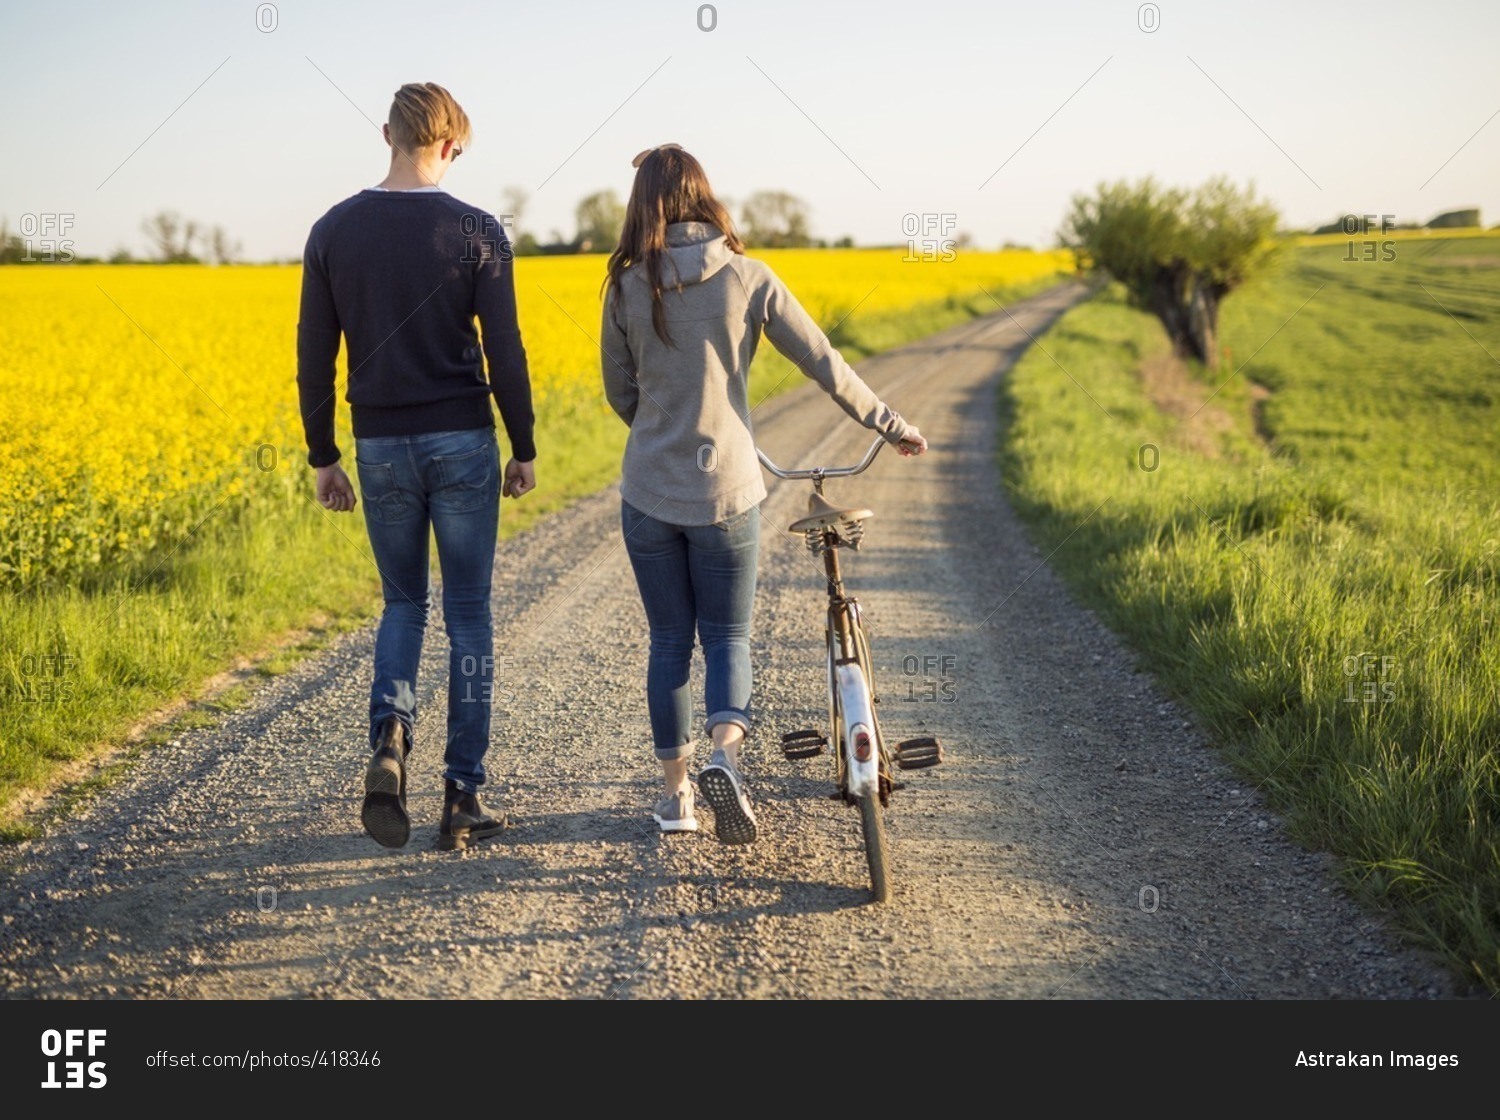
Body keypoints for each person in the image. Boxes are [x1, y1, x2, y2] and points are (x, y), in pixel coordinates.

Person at [601, 144, 927, 844]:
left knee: (668, 641)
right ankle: (725, 756)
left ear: (643, 206)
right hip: (728, 491)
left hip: (650, 492)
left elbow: (619, 392)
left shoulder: (627, 286)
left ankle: (677, 799)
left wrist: (663, 431)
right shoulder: (749, 277)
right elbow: (824, 364)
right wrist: (890, 424)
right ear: (705, 196)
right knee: (727, 636)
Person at [296, 82, 536, 852]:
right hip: (463, 441)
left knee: (404, 606)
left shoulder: (333, 229)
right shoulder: (478, 230)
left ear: (388, 134)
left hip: (379, 447)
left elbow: (313, 357)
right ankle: (462, 794)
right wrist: (523, 444)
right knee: (468, 614)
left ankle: (390, 742)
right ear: (448, 144)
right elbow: (506, 350)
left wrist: (324, 455)